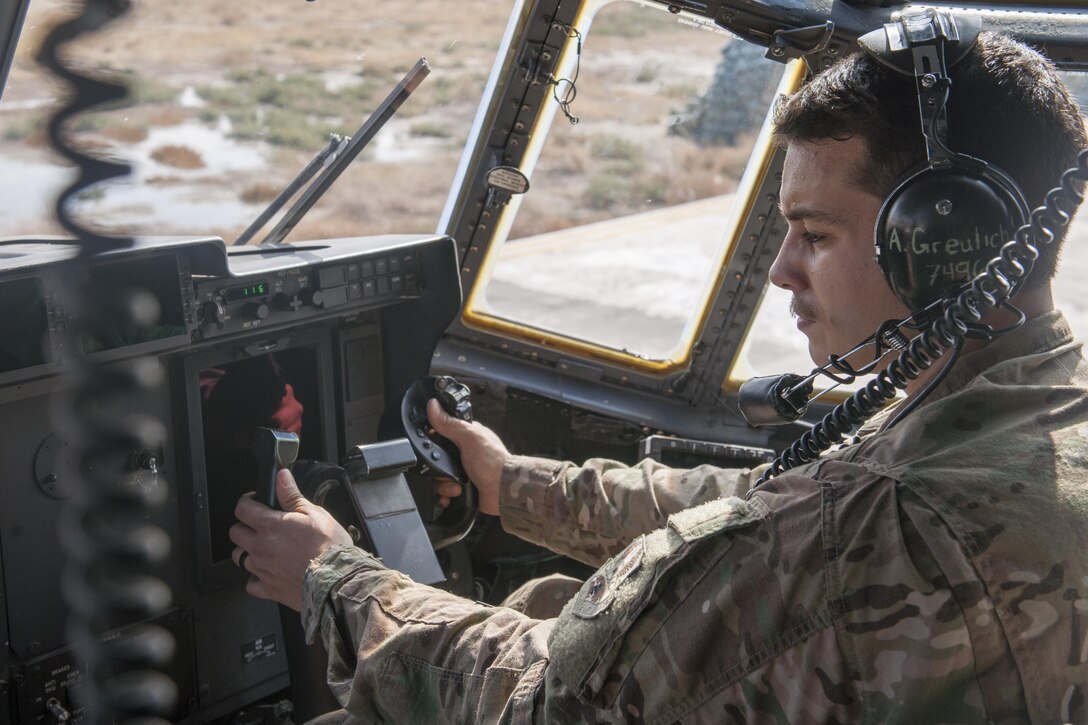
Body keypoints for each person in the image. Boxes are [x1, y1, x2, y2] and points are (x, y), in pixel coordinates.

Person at [228, 28, 1088, 723]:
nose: (782, 269)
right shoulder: (1033, 407)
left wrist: (336, 577)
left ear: (942, 246)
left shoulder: (873, 531)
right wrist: (514, 483)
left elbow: (538, 703)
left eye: (816, 235)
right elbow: (772, 493)